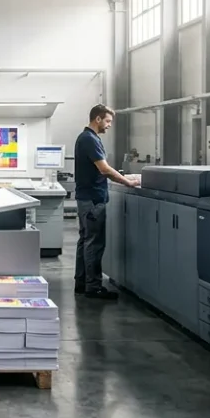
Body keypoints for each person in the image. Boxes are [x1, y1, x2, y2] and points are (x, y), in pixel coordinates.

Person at [74, 105, 139, 299]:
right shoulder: (89, 139)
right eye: (108, 121)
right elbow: (104, 169)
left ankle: (82, 282)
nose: (109, 125)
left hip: (87, 198)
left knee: (85, 240)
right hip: (94, 200)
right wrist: (128, 181)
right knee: (94, 243)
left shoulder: (86, 138)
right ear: (98, 119)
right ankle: (93, 287)